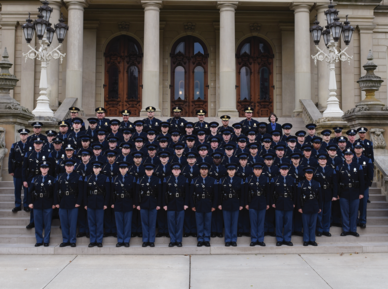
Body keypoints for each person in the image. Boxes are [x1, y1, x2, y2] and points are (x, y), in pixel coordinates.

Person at [22, 137, 52, 229]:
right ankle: (32, 222)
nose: (38, 145)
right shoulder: (28, 154)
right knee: (32, 200)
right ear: (33, 144)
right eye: (36, 143)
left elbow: (51, 167)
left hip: (44, 178)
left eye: (40, 143)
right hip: (32, 179)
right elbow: (24, 168)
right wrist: (24, 180)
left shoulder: (47, 153)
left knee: (44, 201)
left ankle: (43, 223)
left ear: (42, 144)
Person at [54, 159, 83, 247]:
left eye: (71, 166)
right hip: (62, 202)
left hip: (73, 202)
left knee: (73, 223)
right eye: (67, 166)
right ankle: (65, 240)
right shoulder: (59, 176)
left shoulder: (78, 176)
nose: (69, 167)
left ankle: (72, 240)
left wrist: (78, 202)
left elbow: (80, 191)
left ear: (73, 167)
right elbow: (55, 190)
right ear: (65, 167)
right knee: (64, 223)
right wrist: (56, 202)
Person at [336, 149, 365, 237]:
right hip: (343, 193)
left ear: (352, 156)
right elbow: (336, 181)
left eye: (349, 154)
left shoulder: (358, 166)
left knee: (354, 212)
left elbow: (362, 181)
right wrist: (337, 193)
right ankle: (345, 230)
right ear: (344, 156)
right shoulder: (339, 166)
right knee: (344, 212)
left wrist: (361, 193)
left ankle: (353, 230)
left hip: (355, 192)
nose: (348, 156)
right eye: (346, 154)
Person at [28, 161, 56, 247]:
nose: (44, 169)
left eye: (46, 167)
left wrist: (54, 203)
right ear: (40, 169)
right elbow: (30, 191)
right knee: (38, 223)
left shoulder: (52, 179)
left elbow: (55, 192)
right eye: (42, 167)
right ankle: (39, 240)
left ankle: (46, 240)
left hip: (48, 203)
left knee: (47, 223)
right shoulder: (35, 179)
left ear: (48, 169)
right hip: (37, 203)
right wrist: (30, 202)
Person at [190, 162, 218, 247]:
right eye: (202, 169)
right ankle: (200, 239)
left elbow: (216, 195)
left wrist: (214, 206)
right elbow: (191, 194)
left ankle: (206, 239)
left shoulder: (213, 180)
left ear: (208, 170)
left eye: (205, 169)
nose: (204, 171)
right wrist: (192, 205)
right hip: (198, 204)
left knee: (207, 223)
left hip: (208, 205)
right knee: (199, 223)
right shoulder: (194, 180)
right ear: (200, 170)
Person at [84, 161, 111, 247]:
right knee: (91, 222)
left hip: (100, 202)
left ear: (100, 168)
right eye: (94, 168)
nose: (96, 169)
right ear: (93, 169)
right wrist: (85, 203)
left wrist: (106, 203)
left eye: (97, 168)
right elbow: (85, 192)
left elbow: (107, 192)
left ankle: (99, 240)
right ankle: (92, 240)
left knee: (99, 223)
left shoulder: (105, 178)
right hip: (90, 202)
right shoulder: (88, 178)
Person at [111, 162, 137, 247]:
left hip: (128, 203)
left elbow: (134, 192)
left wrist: (134, 203)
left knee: (127, 223)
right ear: (119, 169)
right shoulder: (114, 178)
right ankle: (120, 240)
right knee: (119, 223)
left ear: (127, 169)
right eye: (121, 168)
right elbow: (112, 192)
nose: (123, 169)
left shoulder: (132, 178)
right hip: (118, 203)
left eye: (124, 168)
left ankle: (126, 240)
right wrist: (112, 203)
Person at [163, 163, 189, 247]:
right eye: (175, 169)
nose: (176, 171)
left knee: (179, 223)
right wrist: (164, 204)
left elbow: (187, 193)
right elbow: (163, 193)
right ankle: (172, 240)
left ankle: (178, 240)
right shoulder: (167, 179)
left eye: (178, 169)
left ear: (180, 170)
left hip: (181, 203)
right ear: (172, 170)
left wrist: (185, 203)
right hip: (170, 203)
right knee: (171, 223)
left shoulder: (184, 179)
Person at [136, 164, 162, 247]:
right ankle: (145, 240)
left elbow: (159, 194)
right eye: (147, 170)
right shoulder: (140, 179)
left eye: (150, 170)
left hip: (153, 204)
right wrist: (138, 204)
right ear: (145, 171)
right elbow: (137, 193)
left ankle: (151, 240)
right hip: (143, 204)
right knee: (144, 223)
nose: (149, 171)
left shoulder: (157, 179)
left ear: (153, 170)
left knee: (152, 223)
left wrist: (158, 204)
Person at [219, 163, 244, 247]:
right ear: (227, 171)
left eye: (232, 170)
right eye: (229, 170)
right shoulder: (222, 179)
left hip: (235, 203)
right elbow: (219, 192)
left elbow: (242, 193)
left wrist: (241, 204)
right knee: (227, 223)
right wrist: (220, 203)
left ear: (235, 170)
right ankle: (227, 239)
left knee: (234, 222)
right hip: (226, 203)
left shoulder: (239, 180)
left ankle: (233, 239)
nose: (231, 171)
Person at [246, 162, 270, 246]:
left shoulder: (265, 179)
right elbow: (246, 192)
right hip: (252, 203)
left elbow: (267, 192)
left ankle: (260, 239)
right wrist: (246, 203)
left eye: (259, 169)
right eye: (256, 169)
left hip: (262, 203)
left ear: (261, 170)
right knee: (253, 222)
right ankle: (253, 239)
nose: (257, 171)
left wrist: (267, 203)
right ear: (253, 170)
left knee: (261, 222)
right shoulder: (249, 178)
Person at [297, 167, 322, 246]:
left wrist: (320, 207)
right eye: (307, 173)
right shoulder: (301, 183)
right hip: (305, 205)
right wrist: (299, 207)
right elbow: (298, 196)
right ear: (305, 174)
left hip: (314, 205)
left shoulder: (317, 183)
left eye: (310, 173)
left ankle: (312, 239)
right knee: (306, 224)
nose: (309, 175)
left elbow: (320, 196)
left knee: (313, 224)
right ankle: (306, 240)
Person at [271, 163, 296, 246]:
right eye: (282, 169)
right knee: (279, 223)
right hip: (279, 202)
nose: (284, 171)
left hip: (289, 202)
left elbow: (295, 192)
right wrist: (273, 202)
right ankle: (279, 239)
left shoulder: (292, 179)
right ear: (280, 170)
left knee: (288, 222)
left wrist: (294, 203)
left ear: (288, 170)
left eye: (286, 169)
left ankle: (287, 239)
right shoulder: (275, 179)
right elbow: (271, 192)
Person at [314, 154, 338, 237]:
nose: (322, 160)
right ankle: (319, 229)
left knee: (327, 213)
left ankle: (326, 229)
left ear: (327, 161)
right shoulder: (315, 170)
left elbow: (335, 183)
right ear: (318, 161)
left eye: (324, 159)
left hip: (328, 193)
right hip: (318, 194)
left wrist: (334, 195)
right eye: (321, 159)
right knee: (319, 213)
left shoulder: (331, 170)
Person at [9, 128, 30, 213]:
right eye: (22, 134)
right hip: (17, 170)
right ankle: (17, 205)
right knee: (17, 189)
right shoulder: (15, 145)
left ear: (27, 135)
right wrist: (11, 170)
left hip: (27, 171)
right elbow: (10, 158)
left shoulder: (31, 145)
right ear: (20, 135)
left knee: (26, 190)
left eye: (25, 134)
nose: (23, 135)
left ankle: (26, 205)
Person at [353, 142, 374, 228]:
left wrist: (368, 184)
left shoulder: (367, 159)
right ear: (354, 149)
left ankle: (362, 220)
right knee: (354, 205)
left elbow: (370, 173)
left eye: (359, 148)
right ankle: (355, 220)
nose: (358, 149)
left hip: (364, 186)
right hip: (354, 186)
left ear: (362, 149)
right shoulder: (351, 159)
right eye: (356, 148)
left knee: (363, 204)